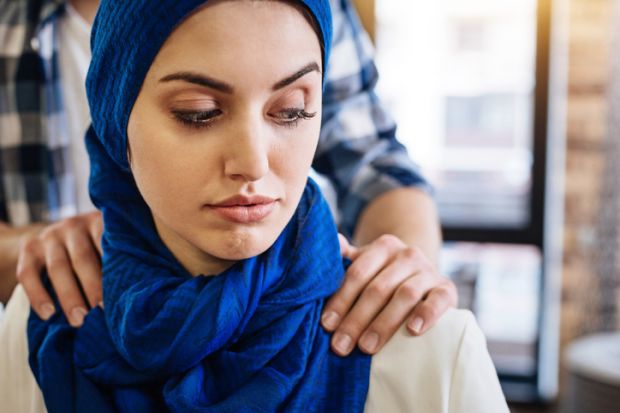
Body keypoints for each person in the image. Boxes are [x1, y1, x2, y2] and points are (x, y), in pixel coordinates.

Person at [2, 1, 508, 411]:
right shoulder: (39, 321)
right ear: (118, 133)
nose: (252, 163)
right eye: (197, 114)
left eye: (291, 111)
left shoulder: (434, 353)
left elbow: (379, 164)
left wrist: (397, 277)